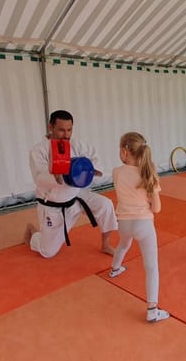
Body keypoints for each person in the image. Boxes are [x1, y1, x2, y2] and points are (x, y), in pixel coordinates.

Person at [24, 110, 117, 258]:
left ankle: (106, 244)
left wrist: (91, 169)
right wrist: (57, 174)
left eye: (69, 130)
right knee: (47, 252)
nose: (66, 134)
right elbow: (40, 178)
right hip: (54, 203)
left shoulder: (77, 145)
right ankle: (33, 232)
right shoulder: (39, 150)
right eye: (61, 130)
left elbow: (95, 163)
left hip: (77, 196)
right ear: (50, 127)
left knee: (106, 205)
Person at [108, 132, 170, 323]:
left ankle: (115, 269)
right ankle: (152, 309)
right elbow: (157, 209)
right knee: (151, 267)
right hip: (143, 224)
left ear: (124, 152)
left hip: (124, 223)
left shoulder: (116, 172)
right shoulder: (148, 174)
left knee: (123, 244)